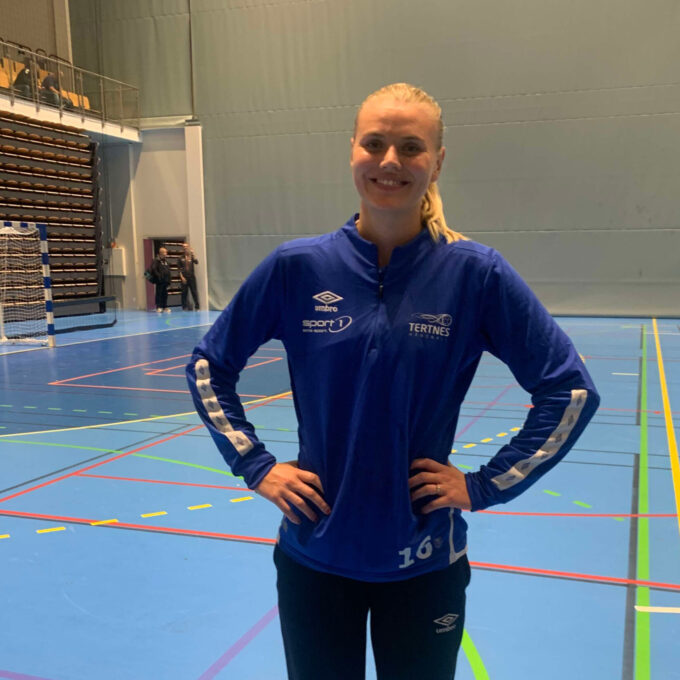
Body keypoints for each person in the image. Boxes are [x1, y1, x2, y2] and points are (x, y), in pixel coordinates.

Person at [185, 83, 600, 680]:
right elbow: (209, 365)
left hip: (424, 564)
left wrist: (485, 485)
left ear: (437, 161)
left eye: (410, 147)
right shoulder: (297, 267)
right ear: (352, 150)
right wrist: (256, 465)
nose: (389, 161)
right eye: (374, 143)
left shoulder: (474, 274)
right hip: (315, 558)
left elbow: (570, 392)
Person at [178, 242, 200, 310]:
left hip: (191, 277)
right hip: (184, 278)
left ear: (188, 248)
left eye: (186, 247)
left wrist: (193, 254)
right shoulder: (180, 258)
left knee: (194, 292)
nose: (185, 248)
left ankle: (197, 306)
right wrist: (182, 277)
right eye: (184, 247)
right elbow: (179, 269)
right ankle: (184, 306)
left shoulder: (191, 257)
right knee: (184, 292)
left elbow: (196, 262)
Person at [151, 246, 172, 313]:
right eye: (165, 252)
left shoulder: (166, 261)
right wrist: (159, 276)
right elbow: (153, 269)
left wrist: (169, 280)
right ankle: (158, 307)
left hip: (166, 281)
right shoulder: (156, 260)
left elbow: (168, 270)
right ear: (161, 253)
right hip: (160, 281)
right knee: (159, 294)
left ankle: (165, 307)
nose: (166, 253)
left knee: (165, 294)